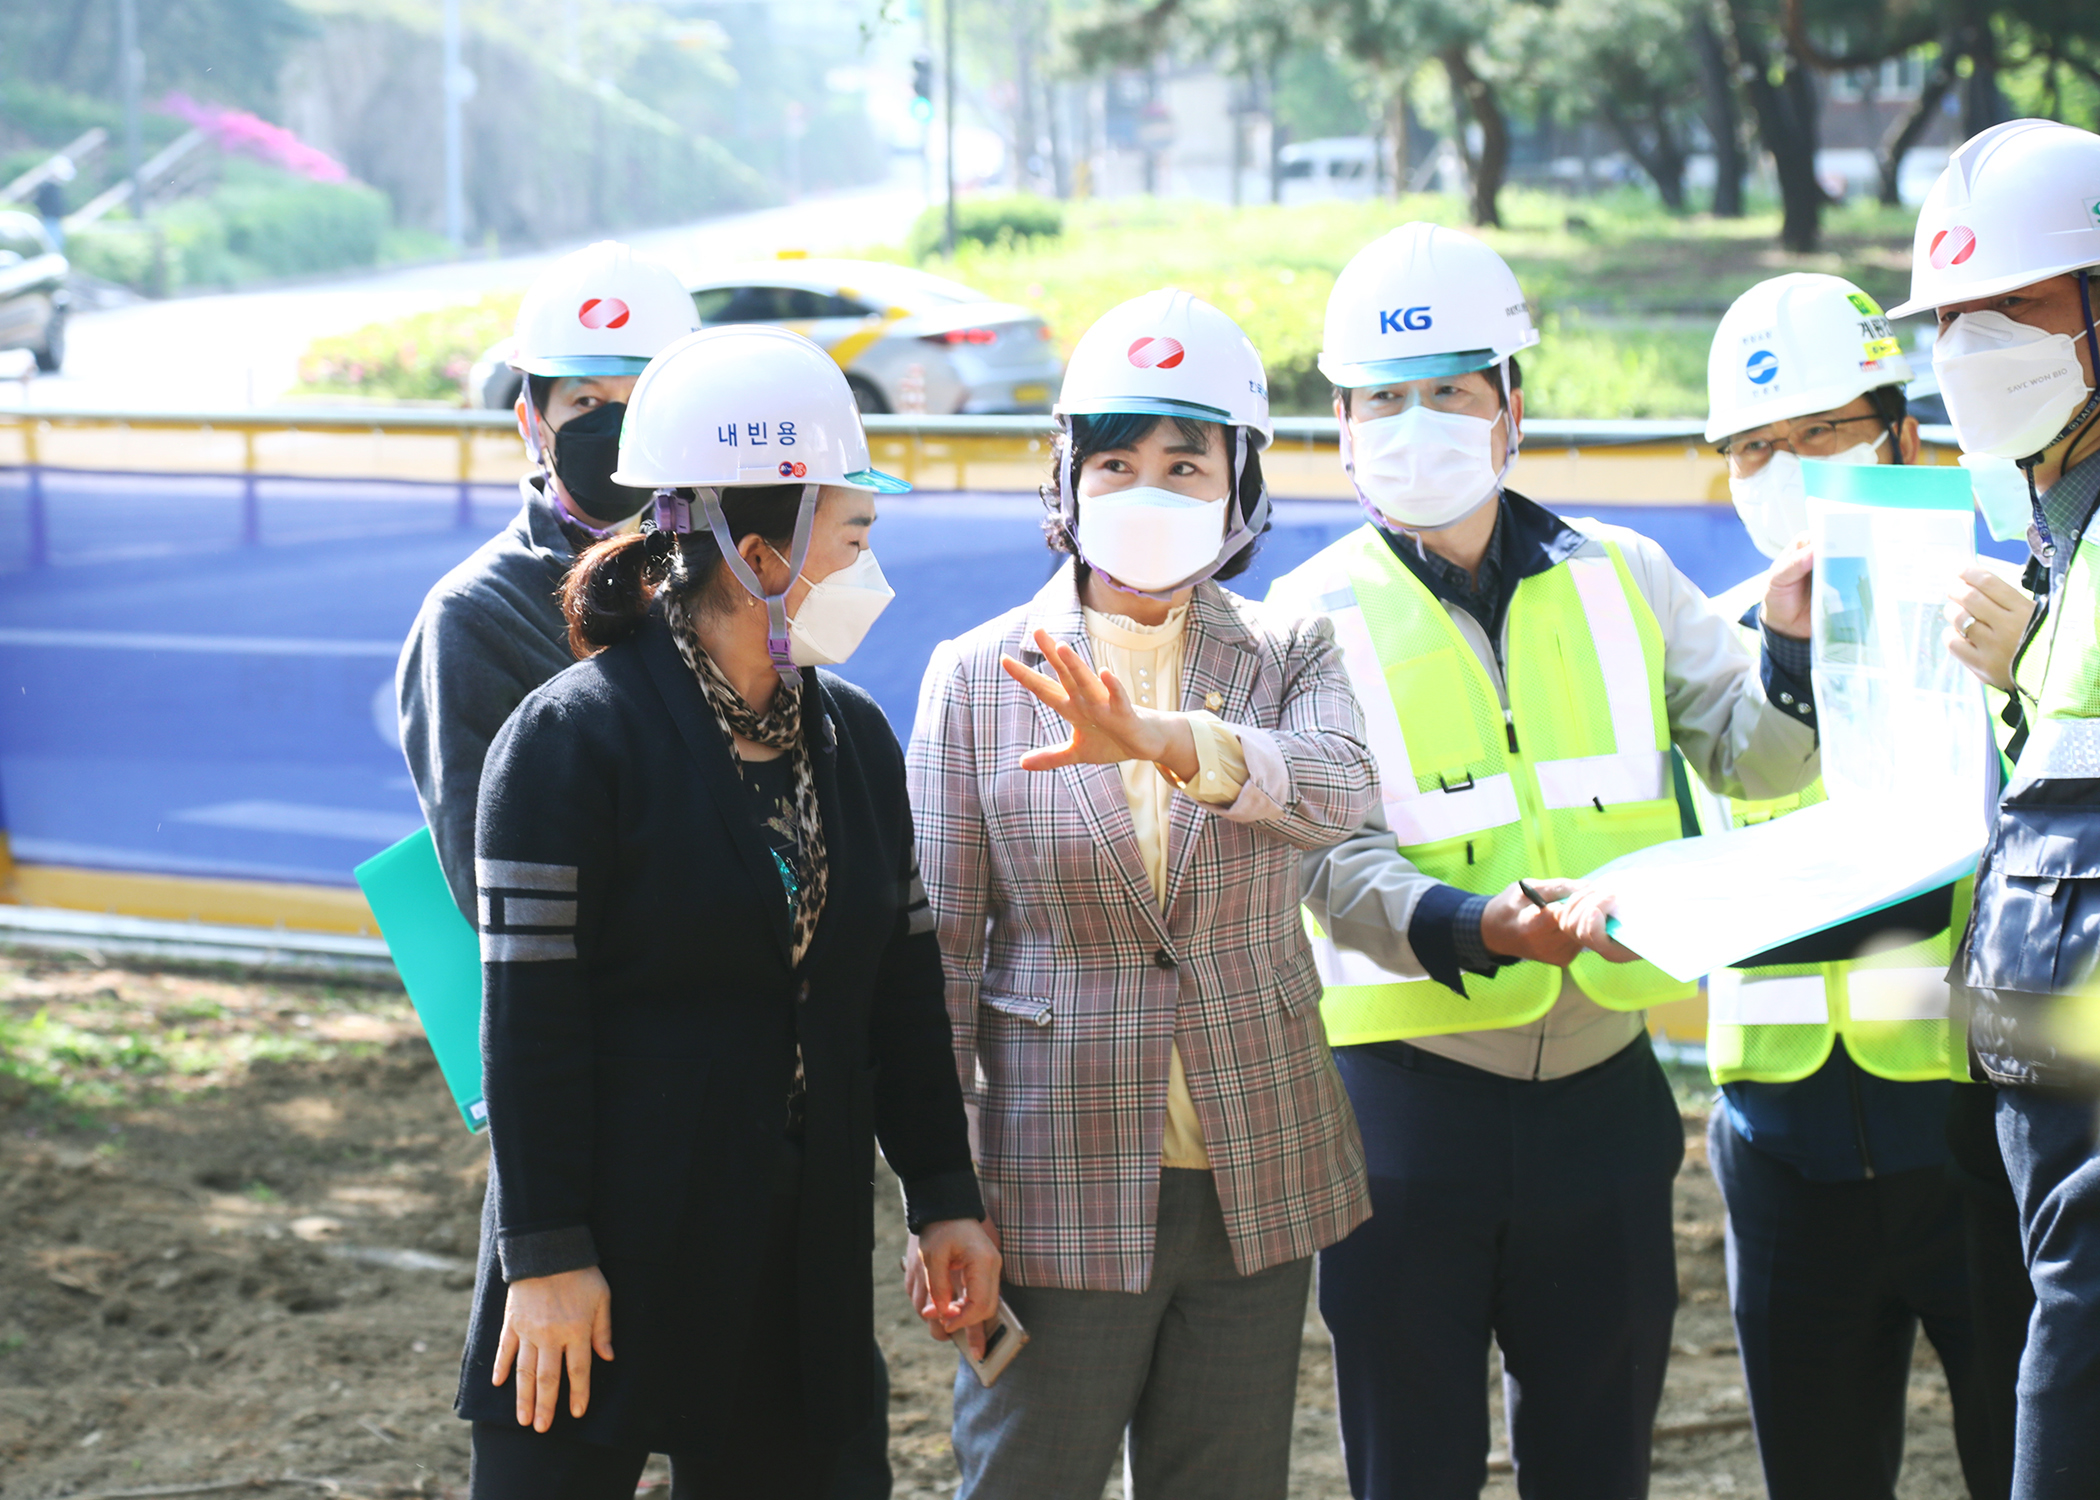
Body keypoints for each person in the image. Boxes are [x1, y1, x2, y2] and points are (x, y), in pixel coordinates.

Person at [1267, 222, 1823, 1500]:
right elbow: (1318, 857)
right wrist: (1472, 926)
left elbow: (1760, 763)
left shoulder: (1627, 576)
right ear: (1341, 426)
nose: (1420, 425)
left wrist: (1788, 653)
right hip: (1399, 1117)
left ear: (1512, 405)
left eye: (1452, 391)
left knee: (1598, 1459)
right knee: (1411, 1468)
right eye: (1383, 400)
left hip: (1606, 1108)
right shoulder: (1301, 621)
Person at [457, 323, 1000, 1499]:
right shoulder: (568, 741)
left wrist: (943, 1195)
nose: (871, 566)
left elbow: (897, 991)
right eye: (854, 537)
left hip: (793, 1251)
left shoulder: (850, 737)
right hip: (604, 1248)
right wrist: (544, 1257)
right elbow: (530, 1023)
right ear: (761, 551)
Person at [904, 289, 1376, 1500]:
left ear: (1241, 484)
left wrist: (1169, 740)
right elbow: (942, 960)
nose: (1150, 491)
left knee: (1223, 1481)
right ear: (1063, 481)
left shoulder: (1291, 650)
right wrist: (938, 1197)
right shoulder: (972, 678)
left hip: (1252, 1166)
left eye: (1185, 462)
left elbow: (1336, 794)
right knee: (1026, 1477)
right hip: (1051, 1174)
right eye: (1114, 462)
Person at [1700, 271, 2024, 1500]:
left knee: (2032, 1459)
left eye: (1825, 432)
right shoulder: (1714, 655)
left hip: (1980, 1129)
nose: (1789, 470)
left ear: (1907, 435)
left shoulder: (2011, 620)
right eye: (1755, 448)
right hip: (1777, 1152)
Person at [1891, 117, 2100, 1499]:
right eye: (1949, 319)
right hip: (2036, 1020)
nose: (1971, 347)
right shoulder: (2045, 530)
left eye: (2012, 307)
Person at [398, 239, 697, 920]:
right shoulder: (475, 614)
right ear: (533, 422)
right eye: (586, 399)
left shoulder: (721, 572)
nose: (615, 425)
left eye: (640, 395)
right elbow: (488, 879)